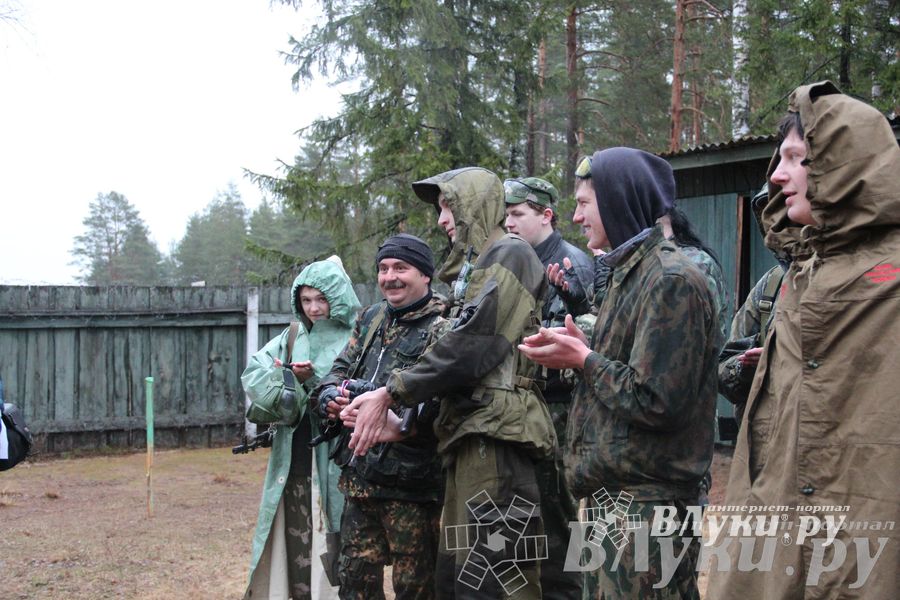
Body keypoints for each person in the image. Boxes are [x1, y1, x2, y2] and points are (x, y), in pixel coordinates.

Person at [707, 81, 900, 598]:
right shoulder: (800, 275)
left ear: (845, 167)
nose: (776, 174)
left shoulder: (891, 277)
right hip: (780, 530)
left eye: (797, 158)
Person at [344, 167, 556, 599]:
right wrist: (407, 424)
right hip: (470, 435)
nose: (442, 220)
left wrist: (391, 392)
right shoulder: (479, 269)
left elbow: (471, 348)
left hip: (497, 439)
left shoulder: (510, 254)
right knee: (462, 579)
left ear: (473, 206)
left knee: (497, 578)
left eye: (448, 207)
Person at [519, 147, 720, 599]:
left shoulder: (670, 280)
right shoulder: (630, 274)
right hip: (618, 498)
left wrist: (584, 360)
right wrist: (586, 348)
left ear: (616, 202)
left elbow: (657, 400)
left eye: (584, 204)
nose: (576, 217)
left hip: (649, 507)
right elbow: (634, 369)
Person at [311, 234, 447, 600]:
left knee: (417, 590)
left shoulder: (443, 325)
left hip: (413, 489)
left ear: (425, 275)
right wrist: (331, 398)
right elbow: (338, 369)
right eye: (383, 269)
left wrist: (386, 406)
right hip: (360, 481)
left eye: (401, 268)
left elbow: (441, 399)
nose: (390, 277)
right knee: (353, 584)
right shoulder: (371, 318)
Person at [242, 257, 361, 600]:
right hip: (293, 464)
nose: (314, 308)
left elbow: (362, 393)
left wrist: (314, 381)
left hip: (341, 467)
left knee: (340, 554)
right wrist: (286, 378)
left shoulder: (358, 337)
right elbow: (254, 374)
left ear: (338, 297)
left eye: (322, 299)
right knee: (295, 551)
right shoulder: (292, 336)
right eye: (306, 300)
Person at [504, 176, 590, 599]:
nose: (509, 223)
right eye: (506, 215)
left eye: (518, 214)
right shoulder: (514, 261)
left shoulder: (573, 264)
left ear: (546, 216)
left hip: (561, 410)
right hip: (523, 408)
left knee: (560, 516)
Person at [718, 185, 785, 429]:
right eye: (774, 212)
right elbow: (723, 367)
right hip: (767, 440)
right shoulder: (771, 285)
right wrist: (746, 365)